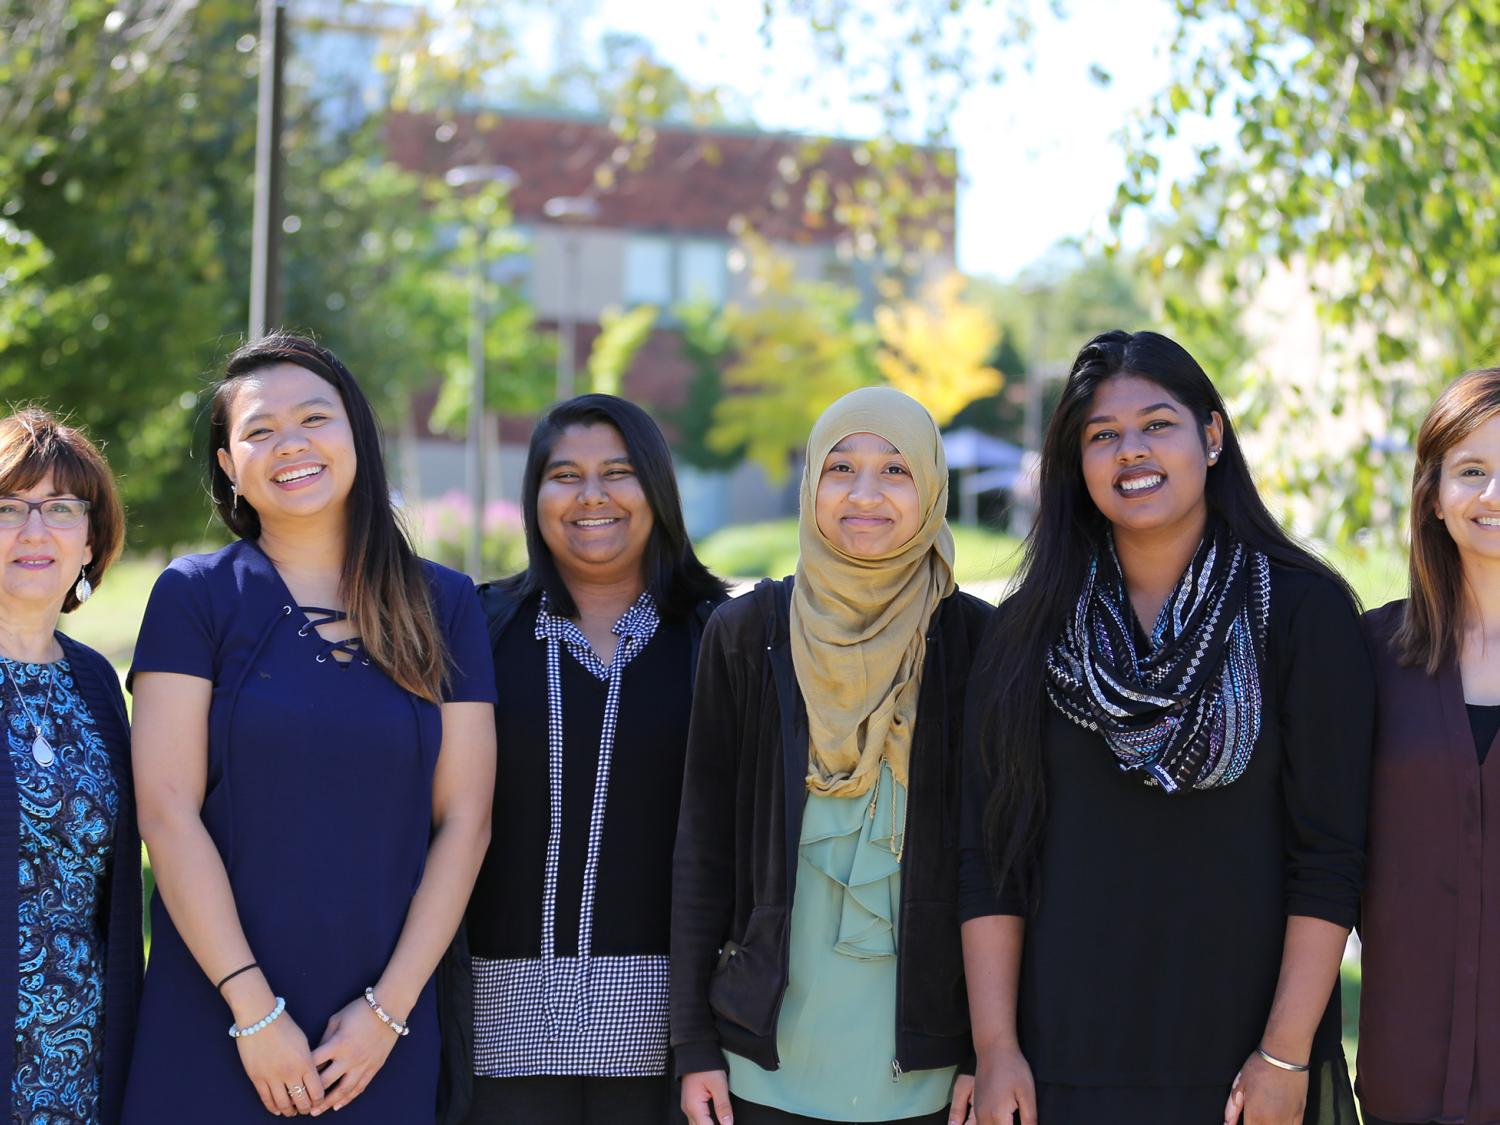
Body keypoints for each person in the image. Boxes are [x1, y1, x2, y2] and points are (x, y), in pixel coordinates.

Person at [960, 330, 1372, 1125]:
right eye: (1102, 435)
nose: (1131, 451)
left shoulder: (1300, 614)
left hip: (1247, 1071)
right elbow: (990, 853)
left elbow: (1329, 857)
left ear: (1211, 436)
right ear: (1075, 465)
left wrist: (1285, 1053)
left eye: (1157, 424)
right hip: (1060, 1065)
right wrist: (996, 1046)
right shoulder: (1026, 633)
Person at [121, 334, 497, 1122]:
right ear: (229, 464)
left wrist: (387, 1013)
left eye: (314, 418)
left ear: (356, 432)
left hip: (379, 1037)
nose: (290, 444)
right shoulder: (194, 596)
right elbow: (165, 810)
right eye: (259, 430)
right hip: (214, 1016)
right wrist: (252, 1010)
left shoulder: (448, 603)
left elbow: (465, 820)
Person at [673, 386, 991, 1125]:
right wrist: (692, 1042)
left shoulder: (978, 641)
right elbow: (703, 850)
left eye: (897, 470)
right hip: (764, 1064)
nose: (866, 494)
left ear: (932, 486)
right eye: (841, 467)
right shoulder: (746, 633)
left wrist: (988, 1049)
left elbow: (1003, 861)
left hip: (931, 1068)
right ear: (811, 482)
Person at [444, 394, 728, 1125]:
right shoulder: (474, 629)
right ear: (534, 494)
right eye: (565, 474)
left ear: (656, 490)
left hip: (676, 1048)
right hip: (497, 1040)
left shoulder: (721, 639)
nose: (592, 494)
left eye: (618, 472)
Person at [1358, 367, 1500, 1125]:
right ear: (1434, 494)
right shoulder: (1370, 654)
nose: (1494, 494)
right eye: (1472, 470)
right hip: (1403, 1076)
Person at [0, 408, 138, 1124]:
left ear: (90, 539)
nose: (33, 531)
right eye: (7, 508)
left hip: (80, 1062)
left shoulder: (94, 681)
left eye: (59, 508)